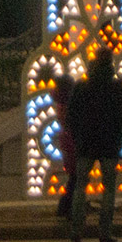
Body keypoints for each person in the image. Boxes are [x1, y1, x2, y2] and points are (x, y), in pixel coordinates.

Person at [65, 51, 122, 242]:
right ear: (110, 63)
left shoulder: (82, 86)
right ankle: (105, 232)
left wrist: (78, 138)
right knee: (109, 190)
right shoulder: (118, 87)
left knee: (80, 187)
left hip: (86, 144)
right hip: (110, 146)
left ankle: (76, 230)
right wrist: (119, 141)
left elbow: (71, 117)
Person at [51, 74, 78, 219]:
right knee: (76, 177)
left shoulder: (61, 102)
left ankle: (67, 207)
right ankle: (66, 208)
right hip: (73, 140)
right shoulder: (69, 102)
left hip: (66, 140)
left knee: (74, 176)